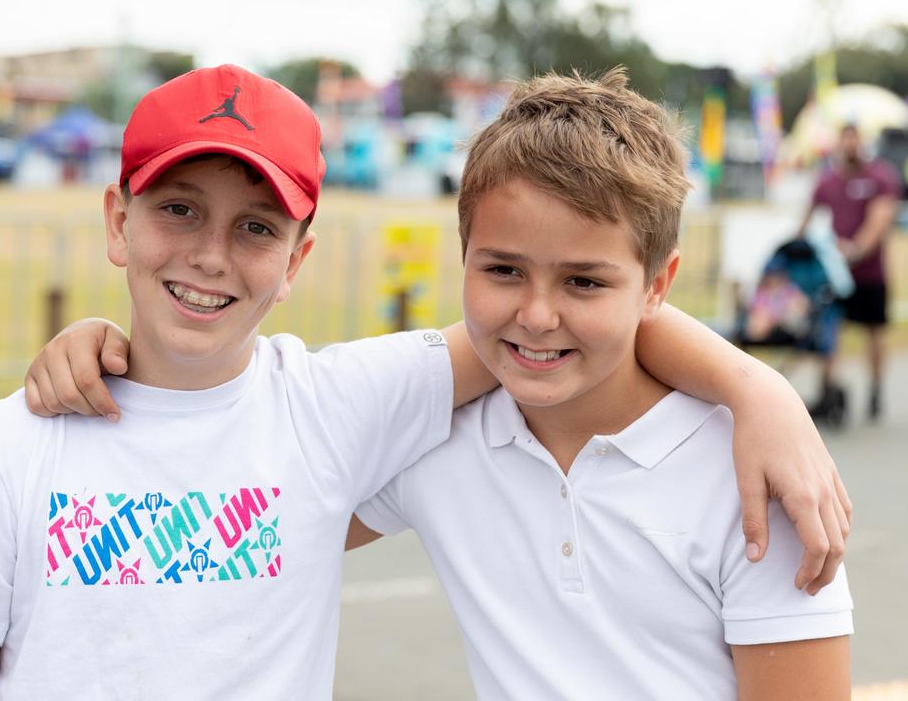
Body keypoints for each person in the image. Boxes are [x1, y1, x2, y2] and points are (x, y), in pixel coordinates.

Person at [0, 65, 846, 699]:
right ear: (119, 222)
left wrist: (757, 392)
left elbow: (583, 314)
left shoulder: (339, 410)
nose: (209, 255)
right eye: (178, 211)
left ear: (299, 255)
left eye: (257, 228)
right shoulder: (11, 443)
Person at [346, 69, 851, 699]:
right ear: (465, 257)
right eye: (503, 270)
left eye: (584, 281)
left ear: (658, 286)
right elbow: (283, 522)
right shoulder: (436, 439)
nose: (536, 315)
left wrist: (757, 390)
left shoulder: (757, 478)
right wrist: (754, 382)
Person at [798, 123, 902, 420]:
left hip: (870, 273)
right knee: (830, 331)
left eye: (854, 140)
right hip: (835, 275)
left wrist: (855, 250)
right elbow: (806, 218)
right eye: (845, 141)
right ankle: (829, 390)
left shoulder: (880, 177)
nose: (850, 146)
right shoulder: (828, 181)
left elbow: (879, 221)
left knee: (875, 333)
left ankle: (876, 388)